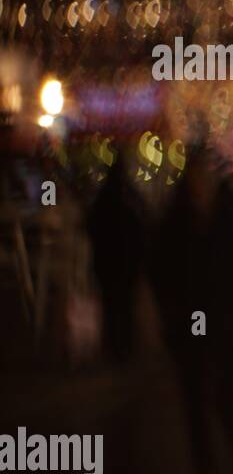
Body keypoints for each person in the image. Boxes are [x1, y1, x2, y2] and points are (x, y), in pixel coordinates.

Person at [151, 144, 233, 474]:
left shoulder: (231, 215)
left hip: (225, 323)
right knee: (195, 399)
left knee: (227, 395)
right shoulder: (175, 217)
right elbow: (161, 270)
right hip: (190, 324)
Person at [85, 150, 146, 363]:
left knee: (111, 306)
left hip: (107, 264)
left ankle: (113, 345)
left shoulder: (103, 197)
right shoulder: (132, 197)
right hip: (126, 264)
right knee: (126, 305)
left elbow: (91, 225)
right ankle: (125, 346)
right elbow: (142, 227)